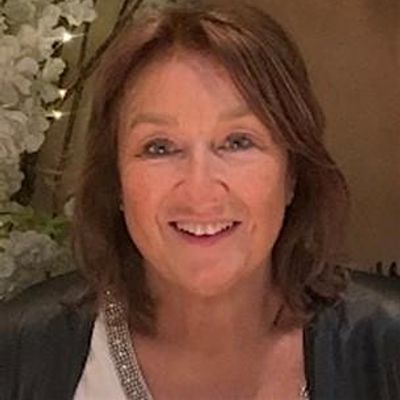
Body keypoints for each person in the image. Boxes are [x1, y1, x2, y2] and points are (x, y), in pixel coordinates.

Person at [1, 1, 399, 399]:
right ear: (116, 181)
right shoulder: (19, 350)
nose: (199, 189)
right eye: (159, 147)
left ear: (292, 173)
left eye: (238, 142)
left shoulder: (387, 347)